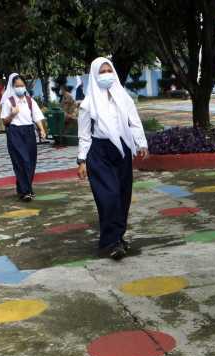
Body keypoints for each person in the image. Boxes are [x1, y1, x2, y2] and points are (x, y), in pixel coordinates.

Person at [76, 58, 148, 261]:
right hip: (99, 153)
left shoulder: (124, 98)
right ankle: (110, 242)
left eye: (109, 70)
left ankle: (118, 237)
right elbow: (84, 134)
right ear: (94, 75)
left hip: (122, 150)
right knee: (108, 197)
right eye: (102, 72)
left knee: (123, 195)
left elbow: (134, 122)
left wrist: (141, 143)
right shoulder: (88, 104)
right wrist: (82, 161)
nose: (106, 75)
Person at [1, 73, 47, 201]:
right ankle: (26, 191)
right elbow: (5, 122)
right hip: (15, 133)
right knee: (21, 162)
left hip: (29, 132)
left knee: (31, 162)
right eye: (17, 86)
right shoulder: (9, 102)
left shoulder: (29, 101)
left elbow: (36, 117)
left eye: (22, 85)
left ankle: (23, 188)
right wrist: (12, 114)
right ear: (13, 87)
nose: (20, 88)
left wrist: (41, 129)